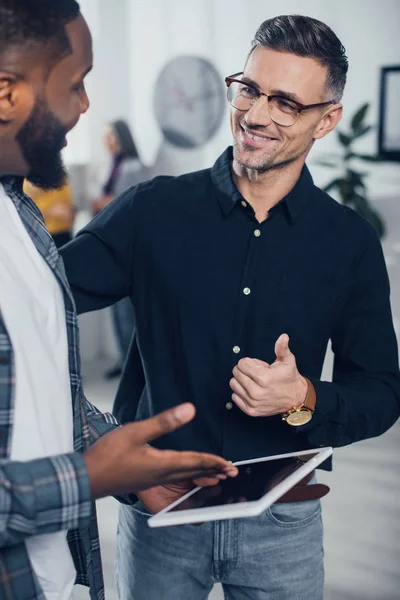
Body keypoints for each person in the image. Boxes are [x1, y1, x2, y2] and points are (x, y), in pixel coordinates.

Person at [61, 13, 400, 600]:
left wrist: (303, 399)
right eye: (250, 89)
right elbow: (33, 306)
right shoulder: (152, 212)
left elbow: (381, 390)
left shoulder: (349, 242)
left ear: (327, 120)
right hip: (158, 516)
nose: (258, 114)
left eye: (287, 103)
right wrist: (94, 436)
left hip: (283, 526)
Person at [0, 2, 237, 599]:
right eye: (74, 84)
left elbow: (47, 391)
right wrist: (88, 478)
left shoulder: (23, 219)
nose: (85, 105)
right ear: (6, 94)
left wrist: (127, 465)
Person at [92, 119, 148, 379]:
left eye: (111, 135)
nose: (107, 140)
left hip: (131, 248)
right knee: (116, 309)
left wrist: (104, 203)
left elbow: (130, 203)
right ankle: (124, 360)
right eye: (105, 136)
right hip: (112, 248)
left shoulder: (134, 167)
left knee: (128, 312)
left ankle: (133, 365)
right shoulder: (111, 167)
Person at [23, 178, 76, 247]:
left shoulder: (61, 179)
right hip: (42, 236)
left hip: (64, 235)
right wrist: (51, 212)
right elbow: (27, 216)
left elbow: (70, 211)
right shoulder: (28, 182)